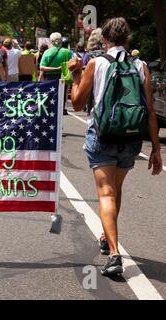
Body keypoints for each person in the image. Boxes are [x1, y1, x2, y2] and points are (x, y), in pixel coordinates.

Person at [68, 17, 163, 276]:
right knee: (116, 189)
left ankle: (114, 254)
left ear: (104, 40)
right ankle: (105, 236)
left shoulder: (96, 64)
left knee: (106, 193)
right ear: (127, 38)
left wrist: (75, 74)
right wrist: (155, 149)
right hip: (131, 137)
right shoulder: (141, 65)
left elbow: (77, 104)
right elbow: (151, 111)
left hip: (102, 135)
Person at [40, 32, 72, 114]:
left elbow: (42, 67)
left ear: (51, 41)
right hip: (63, 77)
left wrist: (55, 68)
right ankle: (62, 109)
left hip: (49, 78)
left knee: (50, 96)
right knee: (62, 94)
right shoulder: (67, 52)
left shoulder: (47, 52)